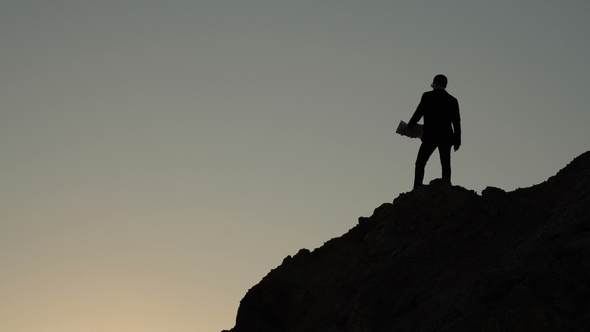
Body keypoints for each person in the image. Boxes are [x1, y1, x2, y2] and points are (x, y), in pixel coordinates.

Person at [407, 74, 461, 189]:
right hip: (446, 135)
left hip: (430, 135)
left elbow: (419, 112)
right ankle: (446, 187)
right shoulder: (452, 100)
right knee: (445, 164)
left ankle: (417, 187)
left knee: (421, 162)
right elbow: (456, 122)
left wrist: (410, 126)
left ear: (435, 83)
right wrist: (457, 140)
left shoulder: (427, 96)